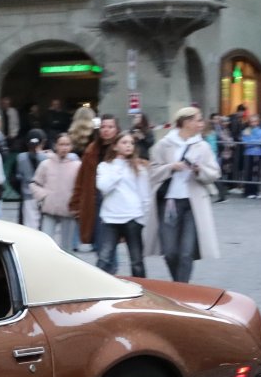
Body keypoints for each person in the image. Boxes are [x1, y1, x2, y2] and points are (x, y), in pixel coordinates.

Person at [149, 107, 221, 283]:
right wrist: (171, 167)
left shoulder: (202, 146)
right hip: (168, 203)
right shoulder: (164, 144)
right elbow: (152, 172)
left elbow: (214, 173)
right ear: (187, 122)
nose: (201, 123)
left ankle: (182, 289)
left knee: (186, 253)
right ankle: (179, 286)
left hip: (192, 204)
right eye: (198, 120)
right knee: (170, 252)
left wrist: (198, 170)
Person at [94, 133, 151, 277]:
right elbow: (103, 187)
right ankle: (95, 286)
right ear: (115, 146)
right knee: (104, 258)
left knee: (137, 261)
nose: (128, 146)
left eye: (131, 143)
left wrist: (143, 219)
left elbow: (145, 195)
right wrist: (118, 168)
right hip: (110, 218)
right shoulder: (105, 166)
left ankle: (141, 288)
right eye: (124, 142)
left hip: (133, 217)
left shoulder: (139, 167)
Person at [69, 113, 121, 260]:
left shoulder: (121, 148)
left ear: (116, 129)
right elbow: (81, 179)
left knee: (111, 242)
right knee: (100, 242)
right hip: (95, 200)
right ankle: (107, 269)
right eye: (103, 127)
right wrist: (76, 203)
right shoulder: (91, 150)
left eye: (110, 127)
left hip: (117, 200)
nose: (106, 130)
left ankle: (109, 268)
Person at [32, 133, 81, 251]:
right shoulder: (46, 164)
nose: (64, 147)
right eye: (61, 144)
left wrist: (77, 203)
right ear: (56, 146)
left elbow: (81, 187)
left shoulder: (77, 166)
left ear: (71, 146)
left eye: (67, 144)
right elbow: (34, 184)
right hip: (50, 208)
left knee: (67, 247)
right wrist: (44, 196)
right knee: (46, 243)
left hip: (68, 209)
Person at [13, 130, 48, 227]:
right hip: (43, 195)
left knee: (29, 225)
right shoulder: (46, 158)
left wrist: (20, 190)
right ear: (42, 142)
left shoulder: (20, 158)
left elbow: (16, 178)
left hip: (27, 195)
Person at [240, 114, 261, 197]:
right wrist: (255, 142)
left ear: (258, 122)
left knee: (256, 173)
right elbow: (245, 142)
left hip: (258, 153)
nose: (253, 123)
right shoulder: (245, 130)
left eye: (255, 121)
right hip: (248, 153)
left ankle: (255, 191)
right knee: (247, 173)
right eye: (251, 121)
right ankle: (247, 191)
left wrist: (251, 141)